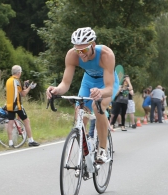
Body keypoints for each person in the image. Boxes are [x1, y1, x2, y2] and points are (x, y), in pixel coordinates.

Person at [46, 27, 119, 163]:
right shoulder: (72, 55)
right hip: (88, 81)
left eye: (84, 50)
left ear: (93, 45)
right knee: (79, 111)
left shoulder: (106, 55)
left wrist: (100, 92)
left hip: (106, 84)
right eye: (77, 50)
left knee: (97, 107)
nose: (81, 54)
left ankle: (102, 149)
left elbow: (109, 88)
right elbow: (65, 84)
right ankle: (86, 147)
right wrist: (56, 90)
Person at [6, 65, 40, 148]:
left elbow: (17, 91)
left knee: (10, 122)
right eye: (20, 72)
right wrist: (29, 88)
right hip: (17, 105)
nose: (20, 73)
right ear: (18, 73)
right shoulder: (17, 81)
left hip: (9, 105)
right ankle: (30, 140)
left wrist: (24, 86)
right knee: (26, 120)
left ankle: (10, 142)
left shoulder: (8, 80)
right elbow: (23, 94)